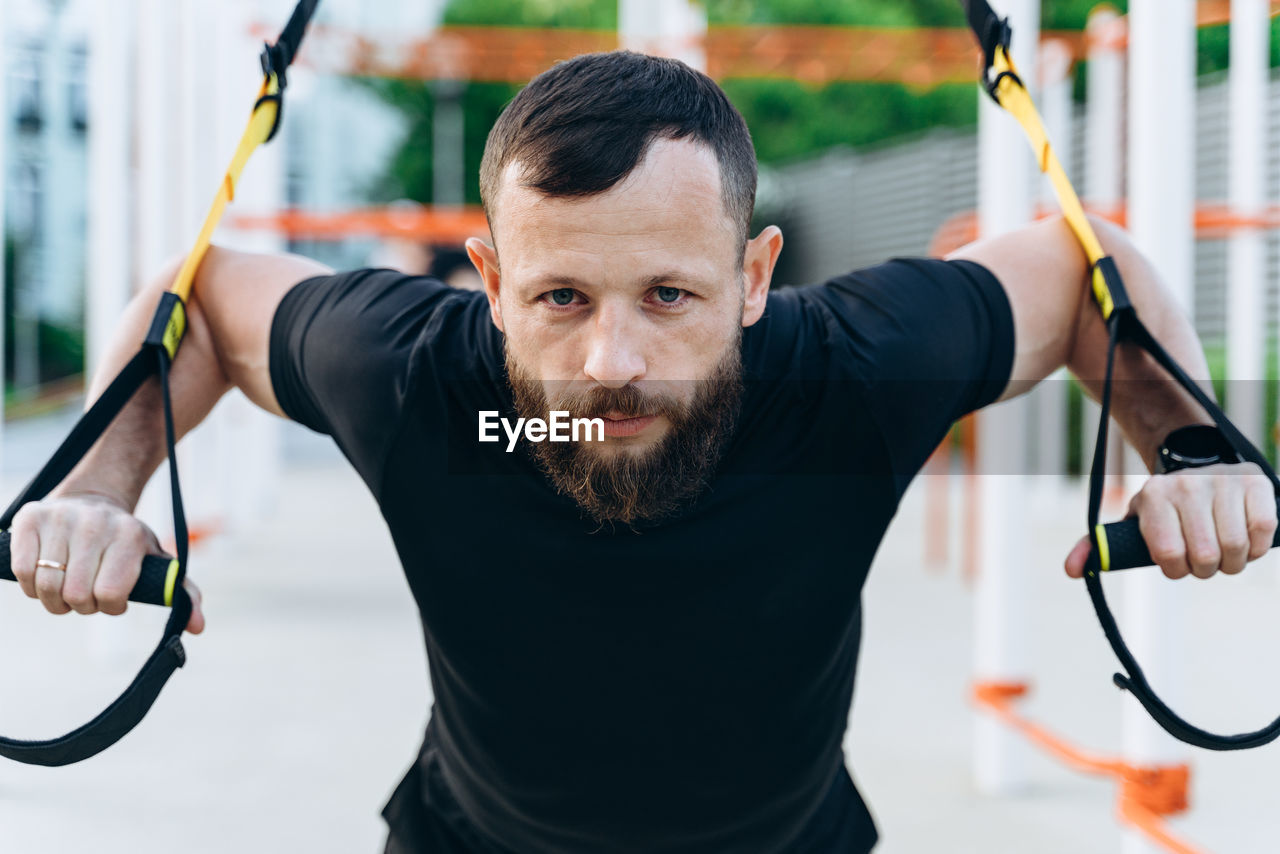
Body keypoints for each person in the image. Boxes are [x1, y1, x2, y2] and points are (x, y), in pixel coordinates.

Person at [10, 51, 1274, 853]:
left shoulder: (841, 372)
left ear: (752, 276)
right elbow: (211, 292)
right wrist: (95, 488)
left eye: (667, 293)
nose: (613, 358)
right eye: (561, 297)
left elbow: (1072, 264)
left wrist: (1189, 450)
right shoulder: (423, 382)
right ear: (491, 282)